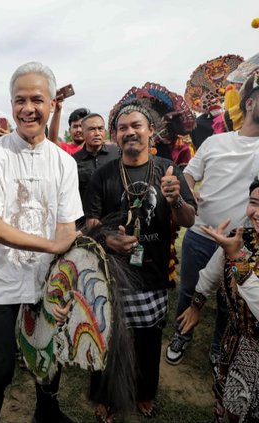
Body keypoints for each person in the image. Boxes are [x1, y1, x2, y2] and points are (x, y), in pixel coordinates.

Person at [0, 61, 83, 423]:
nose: (27, 108)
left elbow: (68, 227)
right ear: (11, 104)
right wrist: (52, 246)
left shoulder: (65, 163)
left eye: (37, 99)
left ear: (51, 104)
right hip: (1, 281)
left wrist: (61, 271)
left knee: (48, 359)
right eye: (19, 100)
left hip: (46, 282)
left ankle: (47, 414)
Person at [84, 99, 196, 420]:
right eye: (122, 128)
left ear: (151, 131)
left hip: (152, 275)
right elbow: (90, 222)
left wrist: (175, 201)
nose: (130, 132)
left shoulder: (168, 170)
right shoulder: (102, 175)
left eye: (136, 126)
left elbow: (188, 219)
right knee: (109, 340)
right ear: (115, 136)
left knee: (148, 343)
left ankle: (145, 393)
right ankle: (104, 396)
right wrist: (108, 238)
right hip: (112, 276)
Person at [166, 71, 259, 367]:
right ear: (250, 103)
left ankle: (220, 345)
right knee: (189, 291)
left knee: (229, 302)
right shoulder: (215, 143)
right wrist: (190, 193)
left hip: (240, 245)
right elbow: (189, 176)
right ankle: (181, 334)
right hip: (201, 234)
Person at [178, 177, 259, 423]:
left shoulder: (237, 249)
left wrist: (238, 263)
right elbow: (213, 272)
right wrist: (196, 305)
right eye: (254, 202)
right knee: (228, 405)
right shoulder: (241, 238)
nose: (257, 212)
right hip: (234, 341)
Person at [72, 112, 119, 217]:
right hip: (86, 221)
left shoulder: (118, 154)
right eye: (92, 129)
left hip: (116, 219)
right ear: (83, 133)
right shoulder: (73, 161)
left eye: (100, 128)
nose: (97, 133)